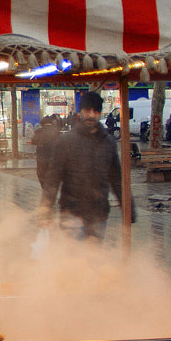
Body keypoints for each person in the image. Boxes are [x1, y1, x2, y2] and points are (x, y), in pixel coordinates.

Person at [43, 91, 129, 241]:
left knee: (93, 258)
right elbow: (53, 178)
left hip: (99, 214)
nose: (91, 115)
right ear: (80, 112)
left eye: (95, 111)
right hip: (72, 213)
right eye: (87, 110)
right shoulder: (66, 142)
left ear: (100, 113)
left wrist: (128, 208)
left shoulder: (108, 142)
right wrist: (45, 210)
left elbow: (116, 179)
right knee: (75, 258)